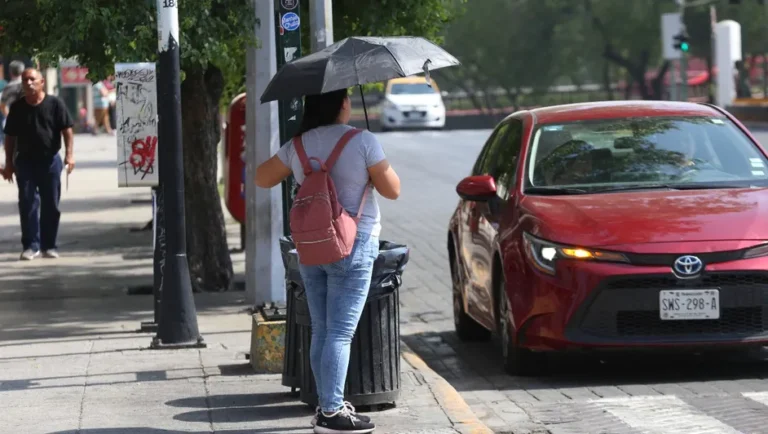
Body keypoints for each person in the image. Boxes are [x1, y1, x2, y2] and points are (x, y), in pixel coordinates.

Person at [255, 89, 400, 434]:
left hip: (311, 247)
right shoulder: (363, 141)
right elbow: (393, 190)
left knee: (322, 329)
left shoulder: (299, 145)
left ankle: (327, 405)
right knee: (339, 332)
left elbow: (262, 178)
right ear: (342, 105)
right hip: (353, 245)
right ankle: (332, 412)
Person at [2, 68, 75, 260]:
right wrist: (8, 163)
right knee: (27, 203)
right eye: (25, 80)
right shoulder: (17, 108)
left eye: (32, 79)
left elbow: (67, 129)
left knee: (51, 204)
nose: (28, 83)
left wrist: (69, 155)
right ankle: (30, 246)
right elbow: (9, 137)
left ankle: (49, 246)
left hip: (50, 161)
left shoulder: (55, 104)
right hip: (25, 162)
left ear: (42, 82)